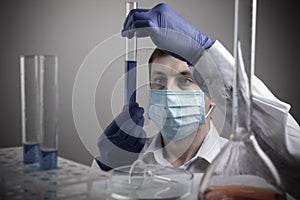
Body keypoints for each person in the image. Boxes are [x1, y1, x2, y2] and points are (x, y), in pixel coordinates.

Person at [91, 3, 300, 199]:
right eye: (159, 82)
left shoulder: (247, 163)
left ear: (214, 94)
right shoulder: (130, 161)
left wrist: (202, 51)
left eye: (185, 79)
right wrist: (107, 172)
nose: (170, 92)